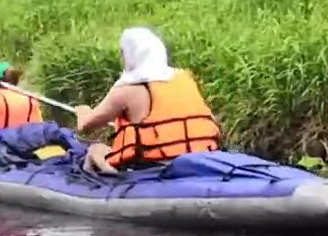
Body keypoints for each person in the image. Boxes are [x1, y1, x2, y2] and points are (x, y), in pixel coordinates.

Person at [72, 27, 222, 173]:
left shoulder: (127, 88)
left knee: (95, 149)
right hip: (203, 157)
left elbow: (85, 126)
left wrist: (82, 111)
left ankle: (100, 182)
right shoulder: (183, 77)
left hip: (154, 165)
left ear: (129, 55)